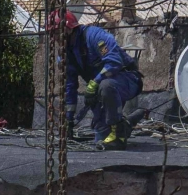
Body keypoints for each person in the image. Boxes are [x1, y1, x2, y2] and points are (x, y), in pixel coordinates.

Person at [60, 12, 143, 148]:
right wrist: (69, 119)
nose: (54, 38)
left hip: (127, 79)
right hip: (100, 89)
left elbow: (114, 62)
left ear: (68, 29)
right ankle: (125, 125)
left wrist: (95, 82)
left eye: (56, 33)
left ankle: (118, 138)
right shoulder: (67, 53)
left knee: (106, 85)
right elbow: (70, 86)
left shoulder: (95, 36)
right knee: (101, 137)